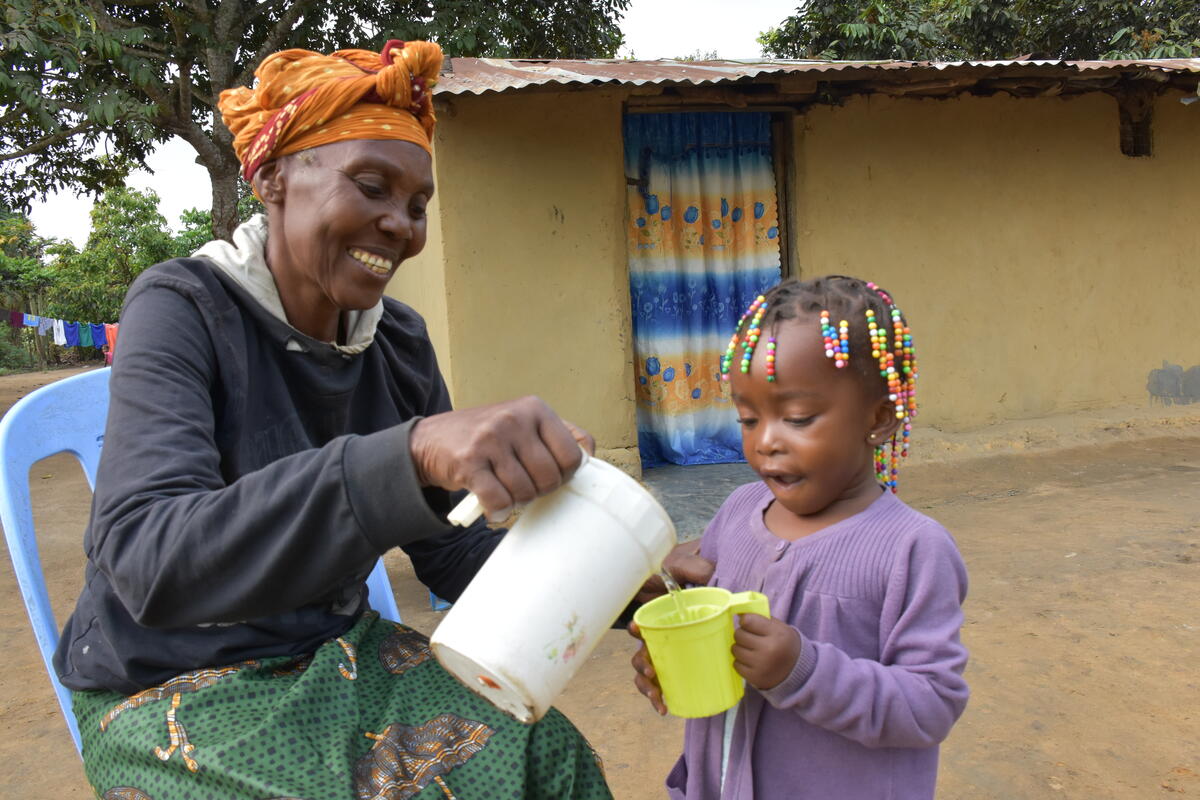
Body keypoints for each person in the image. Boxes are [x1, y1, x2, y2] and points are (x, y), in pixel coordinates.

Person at [53, 40, 612, 800]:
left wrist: (618, 575)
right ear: (271, 178)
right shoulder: (183, 308)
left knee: (549, 759)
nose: (401, 225)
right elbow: (151, 561)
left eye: (418, 206)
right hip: (167, 678)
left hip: (333, 654)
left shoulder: (398, 342)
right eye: (372, 186)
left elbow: (451, 552)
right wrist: (409, 454)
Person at [630, 276, 970, 799]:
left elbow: (931, 704)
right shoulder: (739, 512)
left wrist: (803, 670)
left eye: (797, 418)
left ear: (879, 419)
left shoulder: (912, 550)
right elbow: (710, 628)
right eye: (748, 419)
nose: (766, 441)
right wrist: (672, 659)